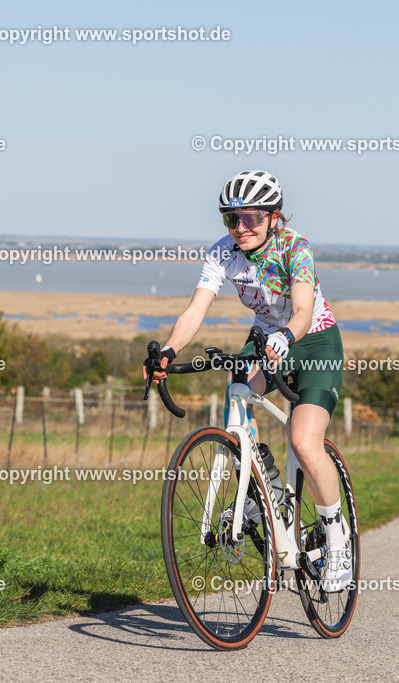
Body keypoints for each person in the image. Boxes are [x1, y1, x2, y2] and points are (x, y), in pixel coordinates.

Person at [144, 170, 351, 592]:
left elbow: (303, 311)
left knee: (304, 441)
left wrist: (287, 336)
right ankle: (261, 489)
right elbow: (195, 311)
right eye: (231, 219)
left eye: (251, 218)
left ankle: (337, 540)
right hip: (264, 340)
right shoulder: (223, 253)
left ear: (273, 217)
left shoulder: (295, 247)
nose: (241, 227)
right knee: (236, 392)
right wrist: (168, 350)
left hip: (312, 341)